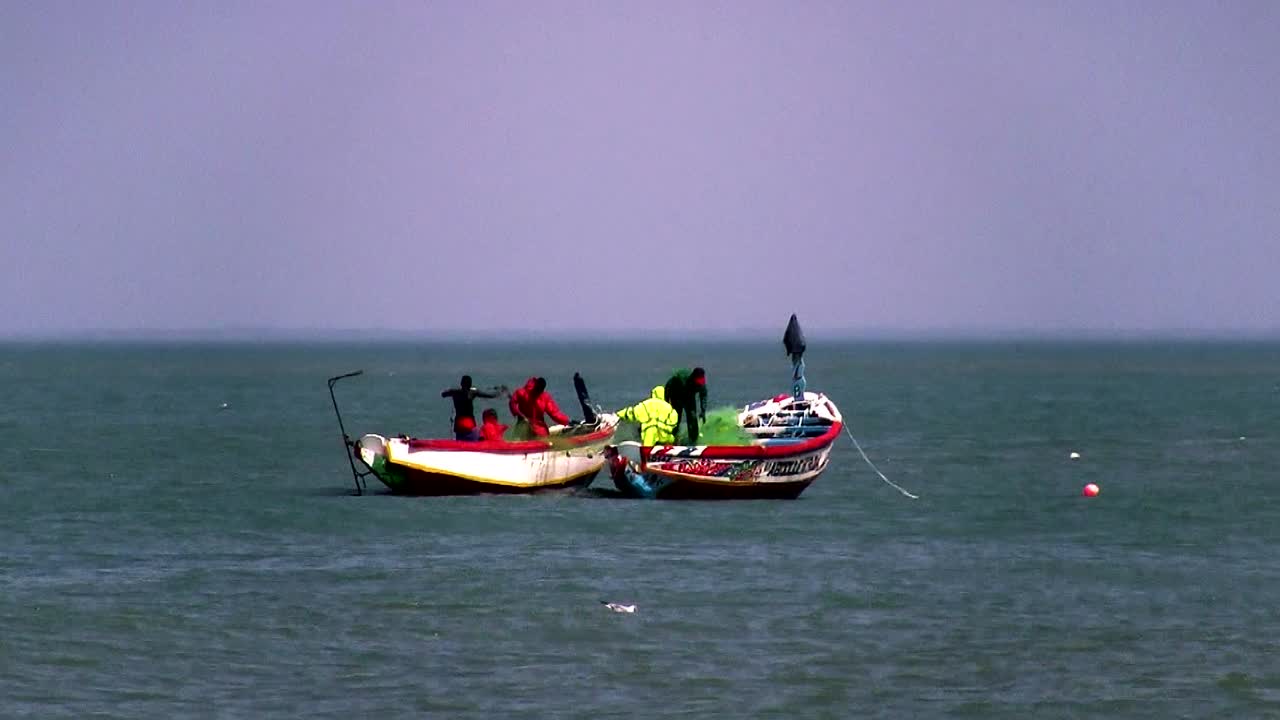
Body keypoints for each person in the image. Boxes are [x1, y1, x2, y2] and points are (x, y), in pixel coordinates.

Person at [441, 375, 503, 441]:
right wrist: (499, 391)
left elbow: (443, 394)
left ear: (461, 383)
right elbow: (490, 395)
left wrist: (452, 390)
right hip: (469, 424)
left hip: (459, 426)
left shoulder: (455, 392)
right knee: (477, 442)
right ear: (470, 385)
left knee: (460, 444)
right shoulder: (472, 392)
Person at [663, 366, 708, 444]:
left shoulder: (701, 384)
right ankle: (672, 438)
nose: (699, 384)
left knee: (693, 418)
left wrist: (703, 411)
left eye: (700, 382)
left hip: (689, 398)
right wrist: (667, 403)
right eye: (698, 382)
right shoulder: (680, 378)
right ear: (693, 377)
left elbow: (703, 395)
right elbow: (668, 387)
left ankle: (693, 440)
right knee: (675, 419)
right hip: (676, 396)